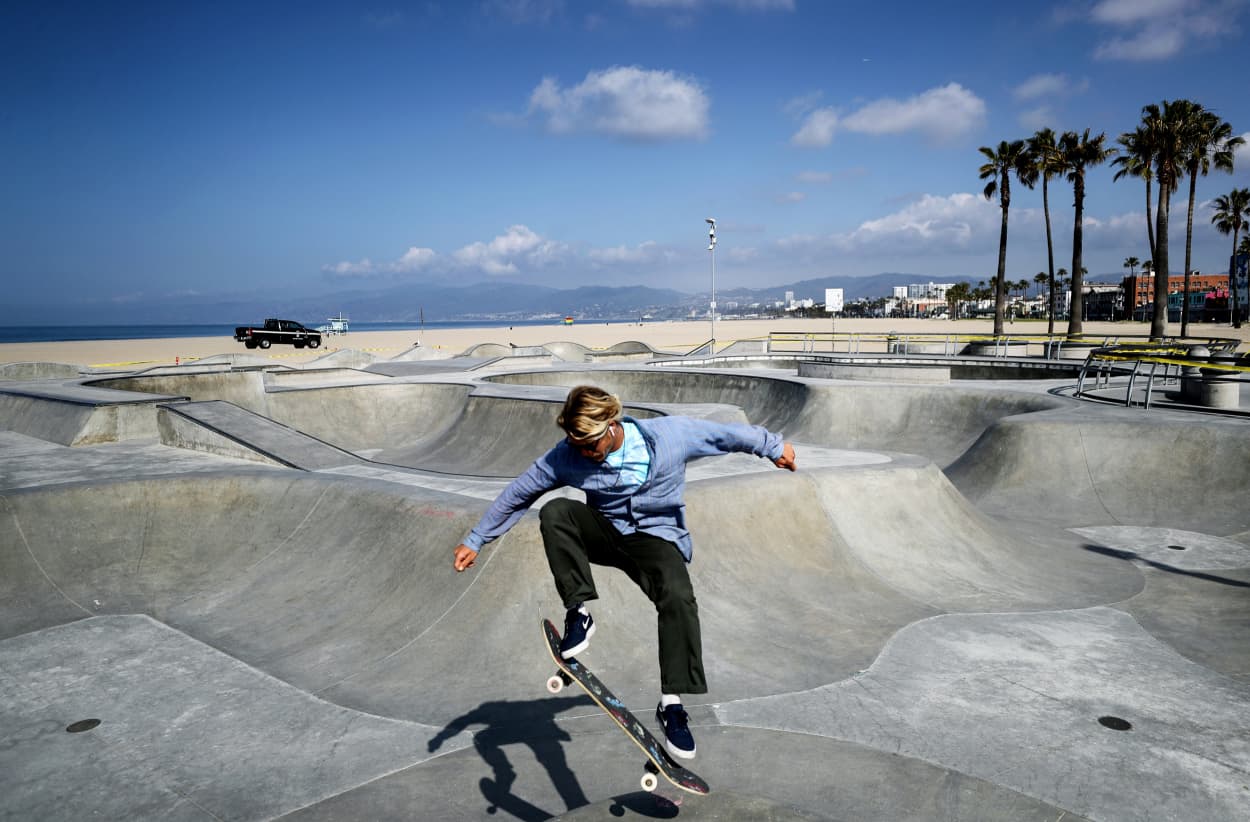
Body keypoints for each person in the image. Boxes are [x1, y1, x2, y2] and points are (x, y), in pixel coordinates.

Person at [452, 384, 797, 760]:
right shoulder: (567, 456)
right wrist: (476, 538)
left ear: (611, 424)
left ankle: (672, 706)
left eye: (590, 445)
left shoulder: (670, 437)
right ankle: (578, 614)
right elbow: (521, 491)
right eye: (577, 445)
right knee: (555, 513)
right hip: (603, 532)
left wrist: (774, 448)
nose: (584, 453)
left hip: (656, 540)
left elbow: (727, 435)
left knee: (679, 597)